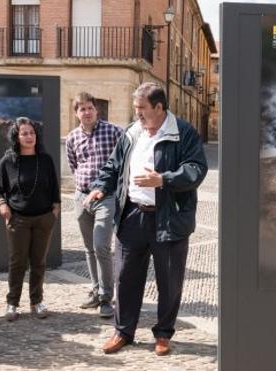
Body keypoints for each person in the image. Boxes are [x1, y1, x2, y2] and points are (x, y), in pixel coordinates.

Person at [85, 82, 208, 356]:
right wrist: (100, 186)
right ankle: (123, 332)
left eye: (142, 108)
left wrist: (163, 180)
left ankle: (163, 334)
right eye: (135, 108)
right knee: (126, 277)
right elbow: (114, 165)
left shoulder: (183, 132)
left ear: (159, 107)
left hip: (169, 218)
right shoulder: (132, 132)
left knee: (169, 280)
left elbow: (197, 169)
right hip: (132, 215)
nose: (137, 113)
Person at [0, 117, 60, 321]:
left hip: (43, 219)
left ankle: (37, 302)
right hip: (18, 220)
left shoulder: (45, 159)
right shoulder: (8, 161)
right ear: (17, 136)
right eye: (24, 133)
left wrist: (54, 210)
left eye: (31, 132)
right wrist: (2, 205)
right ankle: (12, 303)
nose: (29, 136)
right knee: (17, 262)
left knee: (39, 262)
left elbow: (54, 188)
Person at [65, 92, 123, 317]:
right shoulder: (72, 138)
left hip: (106, 197)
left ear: (96, 109)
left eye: (90, 108)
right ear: (76, 113)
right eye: (82, 109)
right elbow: (73, 165)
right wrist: (82, 190)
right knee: (89, 249)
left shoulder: (114, 131)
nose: (87, 112)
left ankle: (107, 298)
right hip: (81, 197)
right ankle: (96, 291)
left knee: (101, 246)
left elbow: (123, 160)